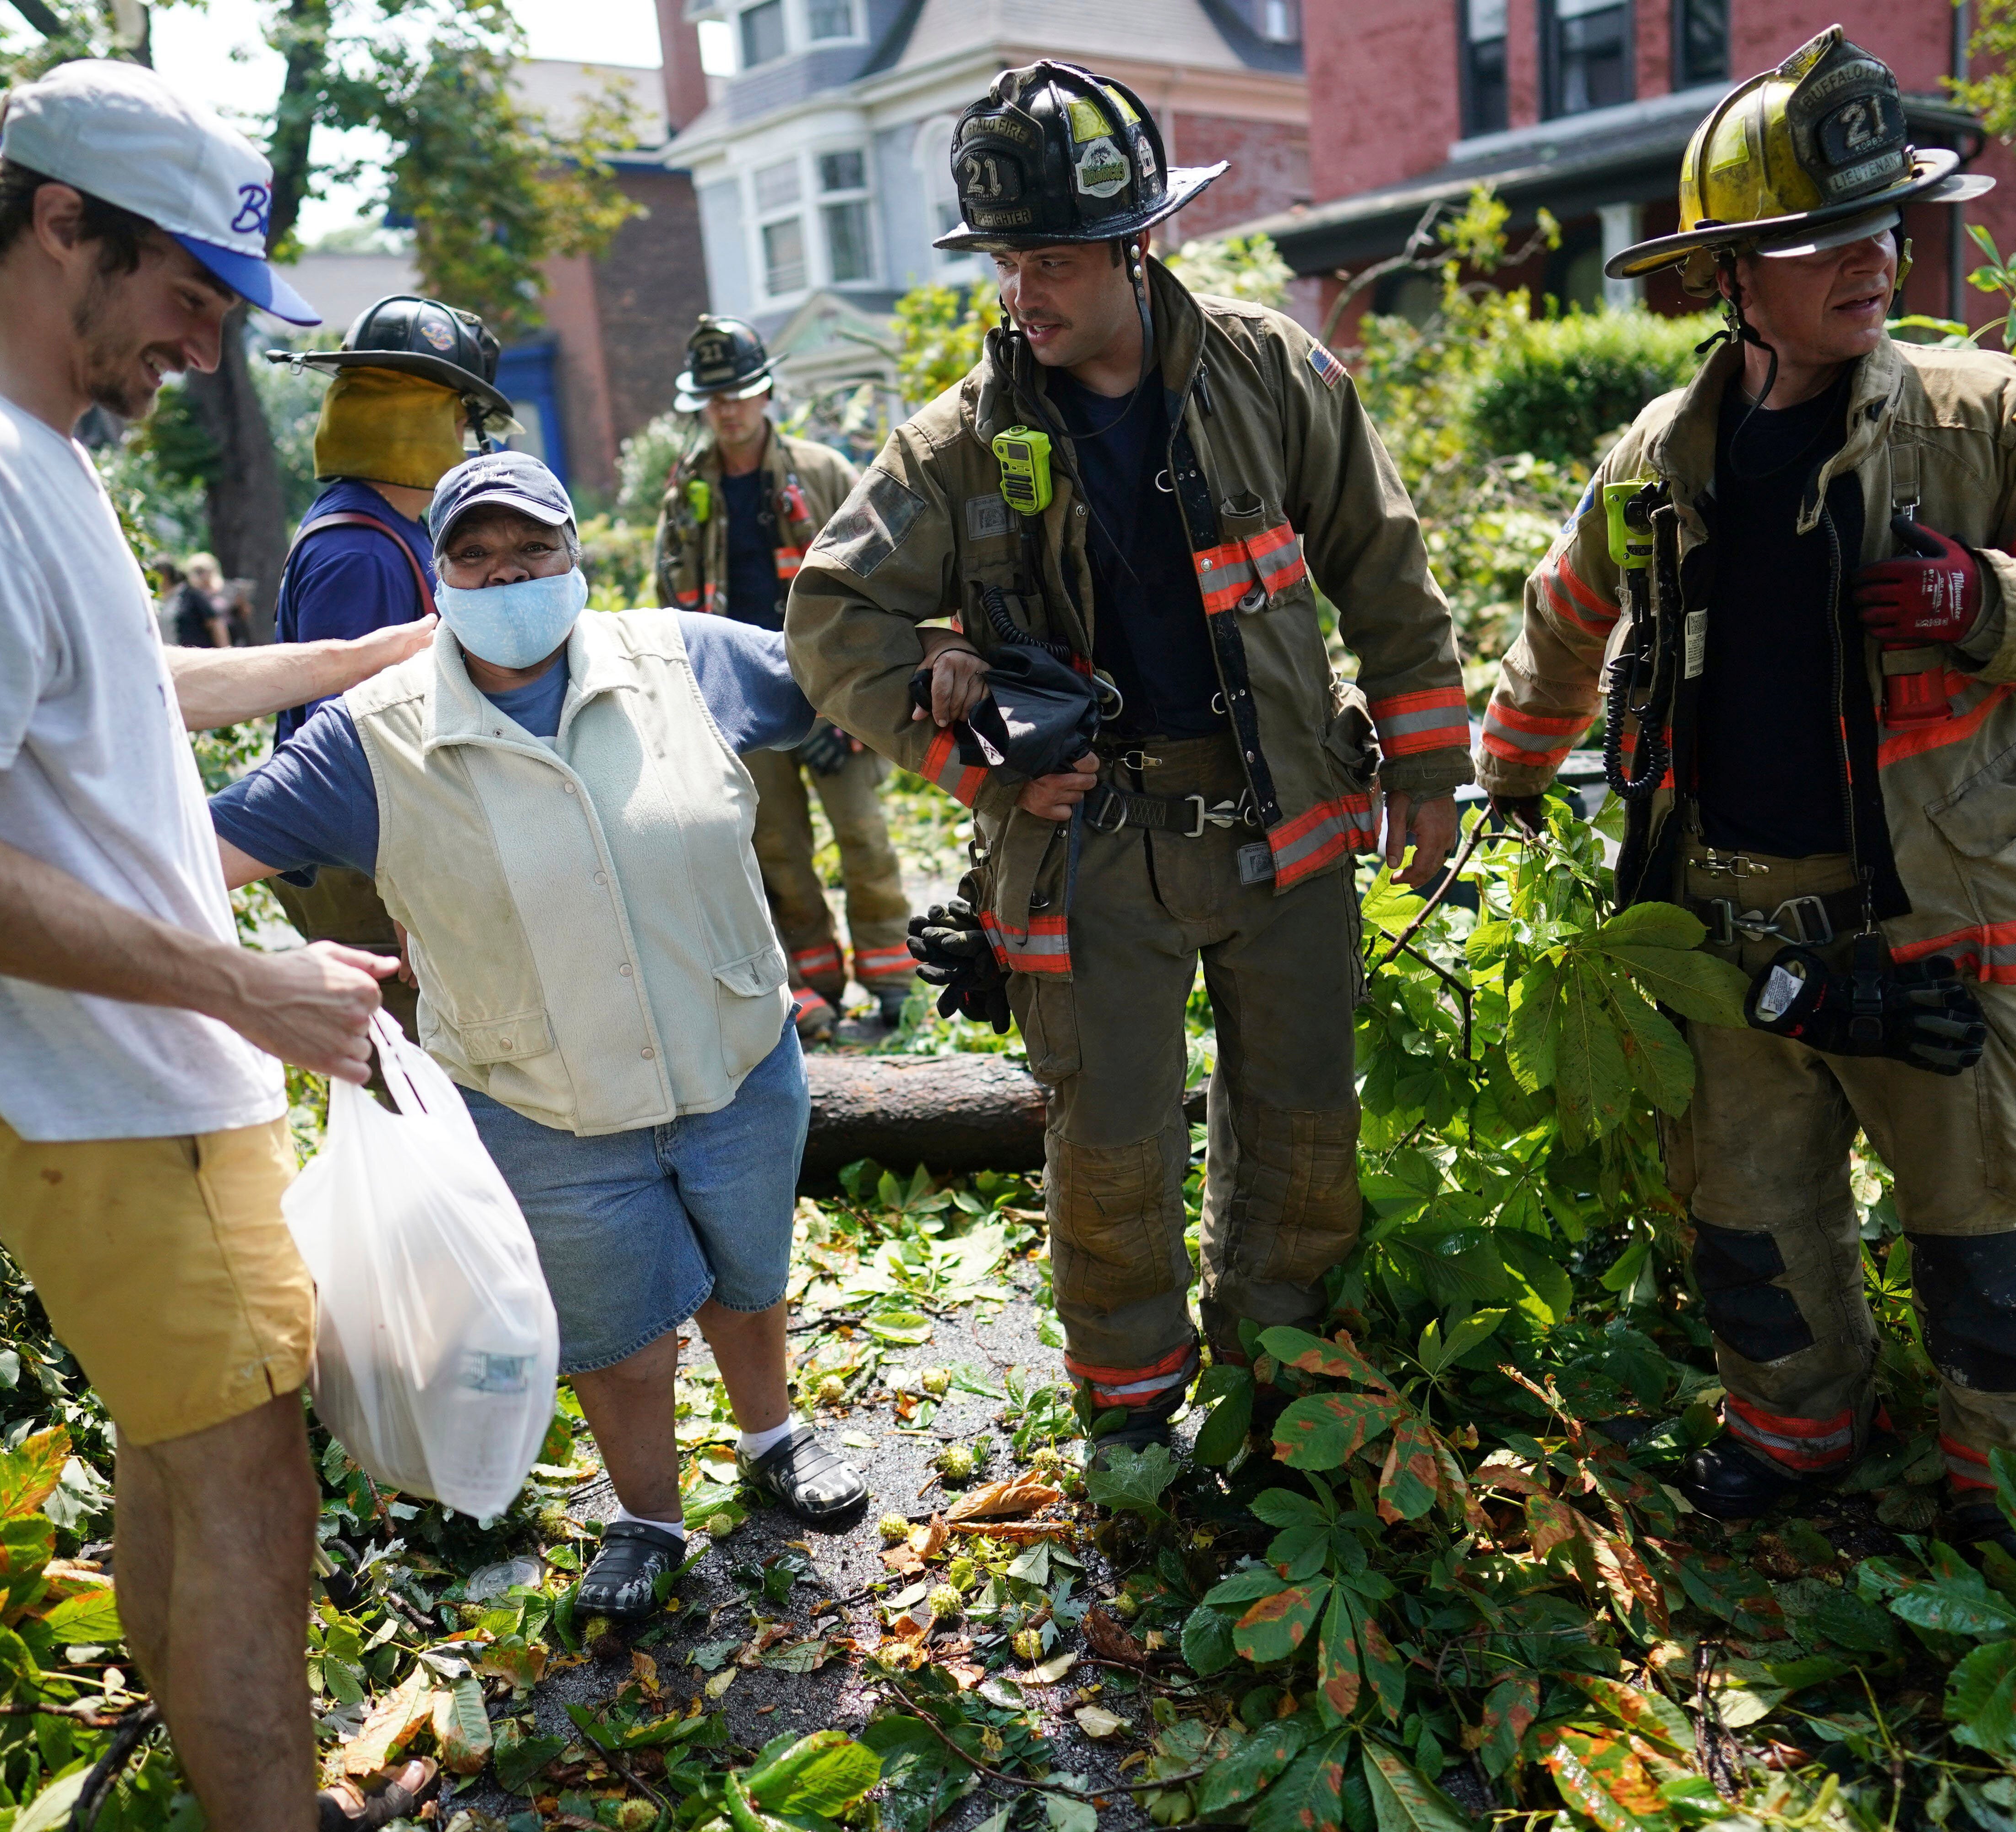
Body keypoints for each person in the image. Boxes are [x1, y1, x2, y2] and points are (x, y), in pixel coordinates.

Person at [0, 60, 441, 1832]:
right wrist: (252, 981)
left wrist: (353, 662)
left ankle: (204, 1782)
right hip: (90, 1085)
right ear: (60, 222)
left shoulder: (35, 451)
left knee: (196, 1447)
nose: (209, 345)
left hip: (140, 1071)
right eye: (189, 294)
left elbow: (109, 692)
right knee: (249, 1481)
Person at [1477, 27, 2016, 1596]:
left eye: (1881, 225)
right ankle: (1797, 1435)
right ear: (1733, 273)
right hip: (1720, 914)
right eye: (1821, 239)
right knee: (1747, 1211)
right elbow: (1559, 625)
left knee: (1986, 1216)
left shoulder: (1978, 417)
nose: (1869, 260)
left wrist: (1987, 602)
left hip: (1931, 920)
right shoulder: (1663, 459)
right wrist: (1509, 789)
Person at [785, 63, 1473, 1463]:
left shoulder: (1269, 372)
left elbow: (1381, 567)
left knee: (1300, 1124)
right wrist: (966, 748)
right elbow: (829, 620)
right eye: (1005, 261)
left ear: (1129, 245)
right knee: (1109, 1148)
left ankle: (1282, 1384)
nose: (1021, 291)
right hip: (1093, 848)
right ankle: (1132, 1413)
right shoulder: (957, 443)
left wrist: (1425, 768)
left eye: (1048, 259)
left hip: (1282, 822)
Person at [210, 451, 914, 1620]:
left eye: (532, 550)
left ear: (575, 553)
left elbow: (843, 682)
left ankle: (774, 1438)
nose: (508, 576)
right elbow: (195, 854)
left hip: (734, 1054)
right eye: (476, 557)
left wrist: (942, 666)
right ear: (437, 579)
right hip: (538, 1101)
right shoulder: (370, 737)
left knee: (749, 1277)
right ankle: (647, 1517)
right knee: (615, 1332)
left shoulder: (684, 657)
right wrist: (232, 970)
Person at [655, 316, 915, 1044]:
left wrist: (848, 707)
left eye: (739, 394)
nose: (728, 410)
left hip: (834, 688)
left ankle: (893, 987)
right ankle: (819, 992)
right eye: (714, 399)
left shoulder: (823, 472)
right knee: (778, 851)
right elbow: (669, 603)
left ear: (765, 392)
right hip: (744, 700)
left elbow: (875, 580)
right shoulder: (686, 498)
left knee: (863, 835)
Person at [258, 295, 512, 1036]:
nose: (467, 438)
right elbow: (360, 739)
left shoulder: (389, 527)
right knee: (414, 1070)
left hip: (388, 848)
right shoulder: (359, 552)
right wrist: (405, 888)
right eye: (460, 417)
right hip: (363, 864)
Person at [170, 551, 232, 648]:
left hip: (224, 645)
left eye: (203, 571)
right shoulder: (189, 594)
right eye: (197, 571)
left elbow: (216, 624)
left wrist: (226, 653)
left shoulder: (225, 590)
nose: (200, 575)